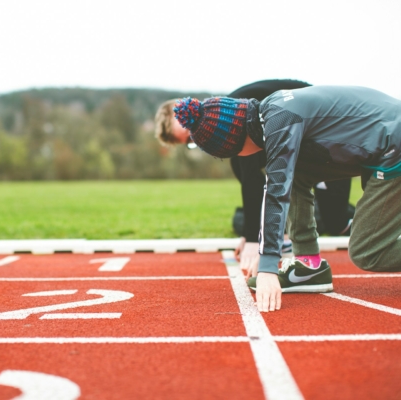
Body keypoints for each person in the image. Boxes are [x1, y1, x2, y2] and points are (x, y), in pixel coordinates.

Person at [173, 86, 401, 312]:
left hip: (393, 145)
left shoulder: (280, 124)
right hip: (384, 138)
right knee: (297, 172)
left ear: (234, 145)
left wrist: (268, 268)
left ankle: (308, 263)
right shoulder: (272, 109)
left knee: (367, 251)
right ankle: (308, 264)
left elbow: (276, 192)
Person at [154, 80, 354, 278]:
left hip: (332, 135)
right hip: (304, 145)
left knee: (336, 220)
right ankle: (289, 228)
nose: (196, 139)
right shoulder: (230, 117)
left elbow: (253, 180)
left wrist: (252, 239)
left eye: (191, 135)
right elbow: (254, 180)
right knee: (246, 205)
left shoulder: (229, 115)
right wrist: (250, 232)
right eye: (190, 142)